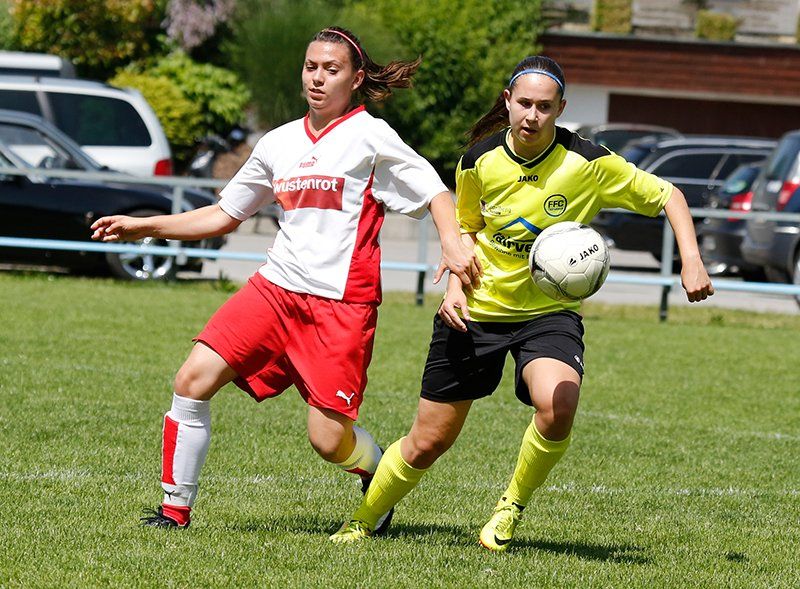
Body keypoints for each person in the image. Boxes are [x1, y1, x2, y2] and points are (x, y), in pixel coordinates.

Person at [90, 26, 480, 530]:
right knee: (191, 380)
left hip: (340, 306)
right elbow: (224, 214)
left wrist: (451, 240)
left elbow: (434, 192)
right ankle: (174, 511)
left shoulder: (371, 136)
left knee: (328, 440)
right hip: (274, 291)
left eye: (331, 69)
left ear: (356, 79)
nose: (317, 78)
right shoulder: (277, 142)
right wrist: (146, 226)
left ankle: (375, 468)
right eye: (311, 67)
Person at [330, 55, 714, 549]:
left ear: (561, 109)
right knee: (428, 441)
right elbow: (465, 229)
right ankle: (364, 519)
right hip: (477, 309)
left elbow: (669, 196)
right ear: (508, 101)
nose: (533, 115)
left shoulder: (588, 164)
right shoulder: (478, 161)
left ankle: (509, 508)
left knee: (559, 404)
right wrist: (454, 289)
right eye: (525, 103)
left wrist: (692, 261)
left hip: (547, 314)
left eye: (545, 107)